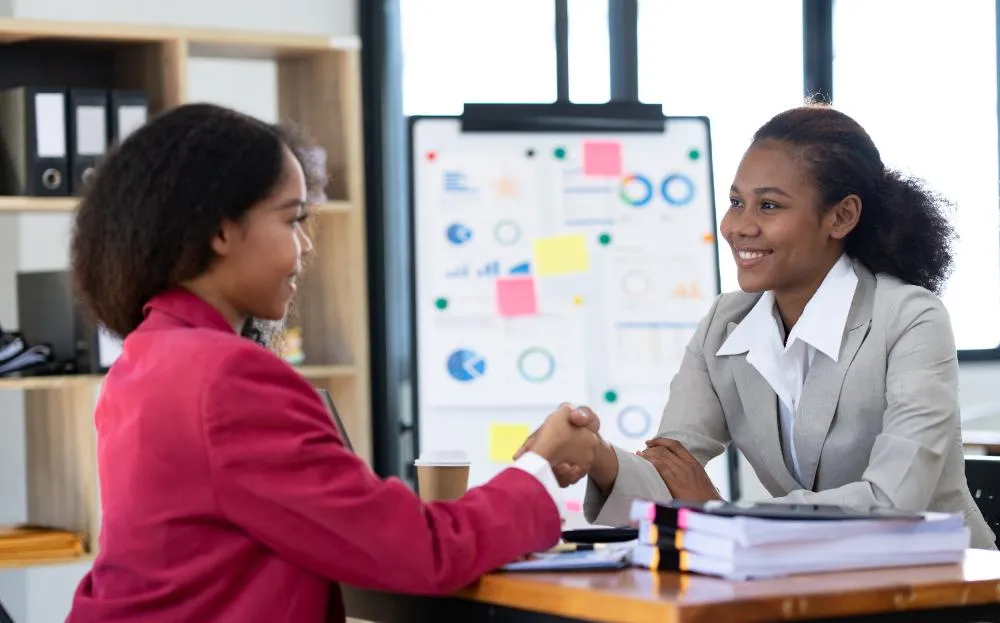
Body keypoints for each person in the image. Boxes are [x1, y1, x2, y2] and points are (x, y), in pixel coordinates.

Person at [65, 103, 600, 623]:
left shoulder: (148, 352)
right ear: (220, 230)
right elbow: (419, 552)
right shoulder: (227, 377)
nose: (304, 247)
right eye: (292, 220)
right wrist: (539, 468)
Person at [518, 103, 996, 550]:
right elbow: (673, 472)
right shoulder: (725, 324)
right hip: (811, 585)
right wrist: (598, 456)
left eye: (769, 206)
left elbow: (894, 502)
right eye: (735, 202)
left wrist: (722, 516)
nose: (738, 226)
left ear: (842, 216)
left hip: (944, 586)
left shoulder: (910, 319)